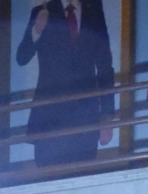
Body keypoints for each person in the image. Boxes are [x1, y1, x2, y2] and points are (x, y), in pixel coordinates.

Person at [15, 0, 116, 168]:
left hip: (85, 118)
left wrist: (107, 117)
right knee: (48, 183)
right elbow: (22, 57)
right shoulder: (41, 12)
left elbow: (105, 67)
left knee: (83, 180)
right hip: (49, 118)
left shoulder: (94, 9)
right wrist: (37, 30)